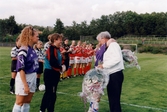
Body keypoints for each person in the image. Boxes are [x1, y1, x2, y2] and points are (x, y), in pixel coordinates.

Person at [12, 26, 39, 112]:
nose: (38, 38)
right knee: (19, 102)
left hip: (32, 76)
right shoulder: (23, 50)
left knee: (27, 101)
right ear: (30, 37)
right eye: (36, 36)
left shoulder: (33, 49)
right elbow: (21, 69)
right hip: (24, 78)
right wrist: (25, 84)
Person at [97, 31, 124, 112]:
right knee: (112, 99)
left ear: (103, 38)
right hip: (111, 75)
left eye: (100, 41)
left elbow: (116, 59)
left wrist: (103, 65)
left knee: (114, 99)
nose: (100, 43)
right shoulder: (109, 46)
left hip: (115, 75)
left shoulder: (113, 45)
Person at [40, 33, 66, 112]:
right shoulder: (51, 48)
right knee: (51, 94)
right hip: (50, 73)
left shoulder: (57, 49)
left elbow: (59, 60)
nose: (61, 41)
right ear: (55, 40)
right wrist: (60, 68)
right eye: (60, 40)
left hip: (55, 73)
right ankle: (48, 109)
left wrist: (64, 61)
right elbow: (52, 62)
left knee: (50, 93)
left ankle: (42, 109)